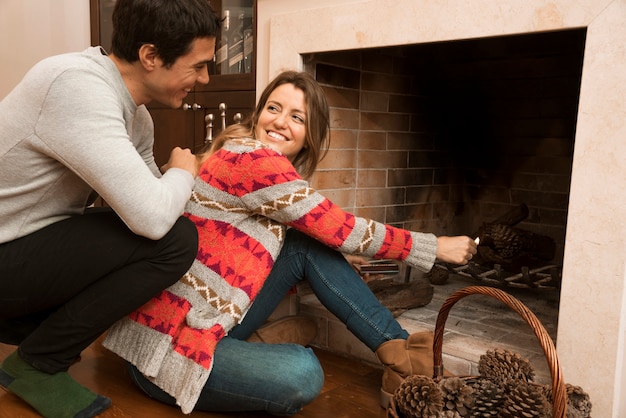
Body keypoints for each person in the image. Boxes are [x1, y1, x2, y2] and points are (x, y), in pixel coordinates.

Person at [103, 71, 477, 415]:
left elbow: (271, 244)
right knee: (303, 373)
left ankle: (398, 353)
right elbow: (342, 228)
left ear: (309, 134)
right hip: (166, 351)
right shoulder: (252, 158)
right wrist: (435, 247)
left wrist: (340, 261)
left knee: (304, 242)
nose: (281, 121)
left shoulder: (260, 167)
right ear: (258, 114)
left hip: (207, 320)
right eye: (274, 108)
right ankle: (395, 353)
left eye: (297, 117)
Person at [0, 1, 220, 417]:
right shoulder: (75, 86)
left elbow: (152, 199)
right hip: (6, 250)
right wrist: (185, 171)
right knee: (172, 242)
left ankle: (36, 339)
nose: (205, 79)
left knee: (161, 235)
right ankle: (37, 364)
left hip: (25, 247)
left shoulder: (136, 116)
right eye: (198, 66)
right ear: (151, 56)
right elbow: (155, 219)